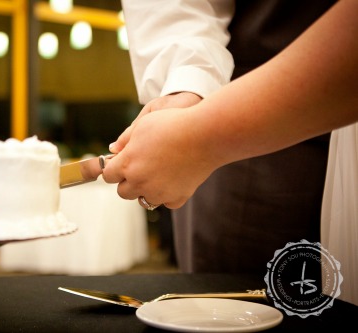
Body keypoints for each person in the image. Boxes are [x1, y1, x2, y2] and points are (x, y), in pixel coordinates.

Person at [103, 0, 358, 305]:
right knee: (244, 305)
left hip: (221, 132)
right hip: (244, 135)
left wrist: (198, 136)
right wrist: (187, 84)